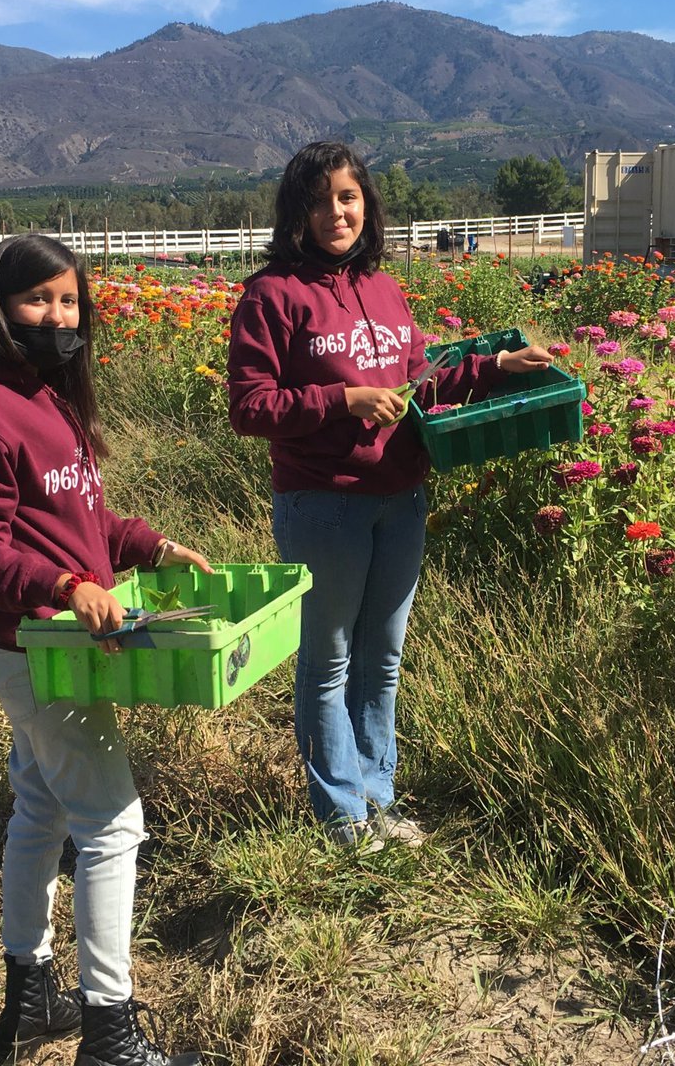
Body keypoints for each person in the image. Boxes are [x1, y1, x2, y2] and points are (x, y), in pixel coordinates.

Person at [0, 233, 208, 1066]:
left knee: (42, 804)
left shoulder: (44, 392)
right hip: (34, 642)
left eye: (70, 300)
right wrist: (61, 588)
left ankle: (32, 997)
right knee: (113, 824)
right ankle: (111, 1035)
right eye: (38, 300)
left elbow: (72, 519)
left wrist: (147, 546)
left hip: (48, 635)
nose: (57, 316)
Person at [227, 142, 552, 847]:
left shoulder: (381, 286)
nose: (335, 212)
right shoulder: (272, 295)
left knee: (383, 656)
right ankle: (342, 821)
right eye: (318, 201)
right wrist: (343, 401)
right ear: (297, 213)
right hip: (324, 500)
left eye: (346, 197)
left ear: (365, 202)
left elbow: (418, 377)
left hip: (401, 495)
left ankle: (379, 797)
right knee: (329, 660)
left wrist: (493, 365)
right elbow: (250, 407)